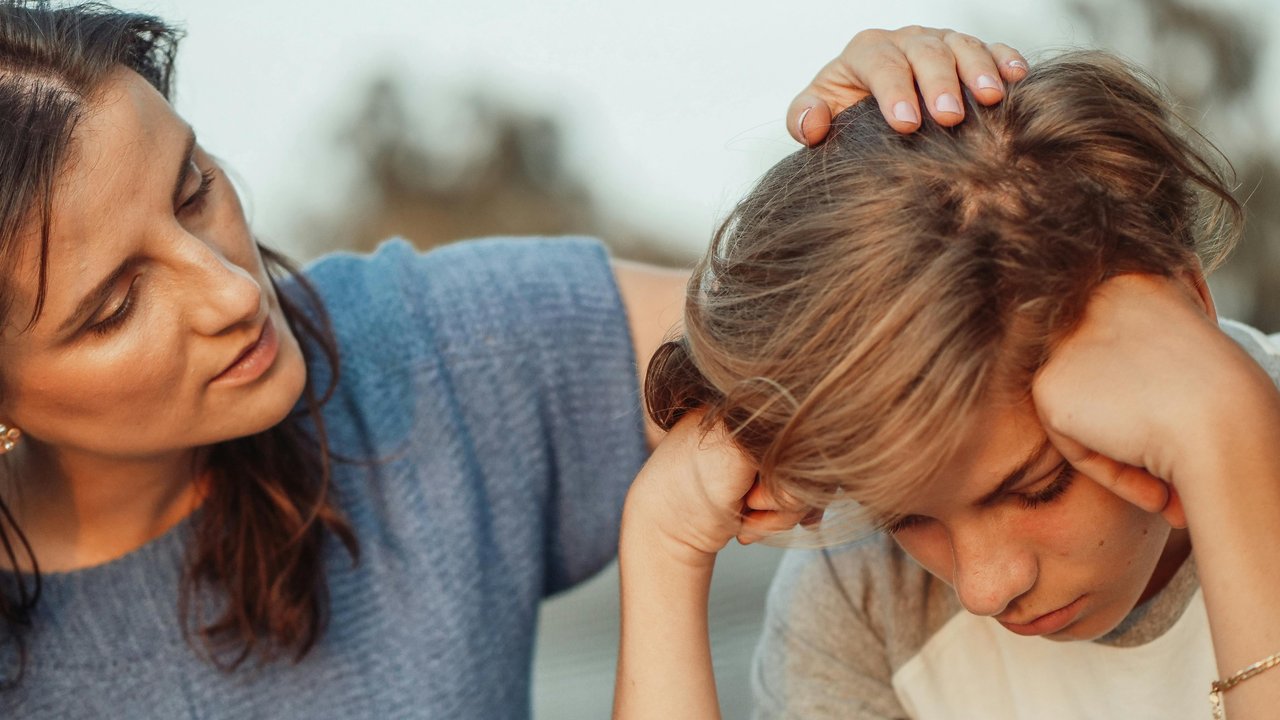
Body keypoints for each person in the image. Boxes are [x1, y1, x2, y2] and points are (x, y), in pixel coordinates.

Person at [0, 2, 1026, 717]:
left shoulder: (419, 350)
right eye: (117, 305)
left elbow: (854, 326)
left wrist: (908, 161)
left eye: (193, 190)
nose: (232, 291)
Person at [615, 49, 1280, 720]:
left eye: (1037, 487)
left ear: (1188, 307)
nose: (984, 589)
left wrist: (1227, 441)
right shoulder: (867, 599)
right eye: (904, 518)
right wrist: (662, 547)